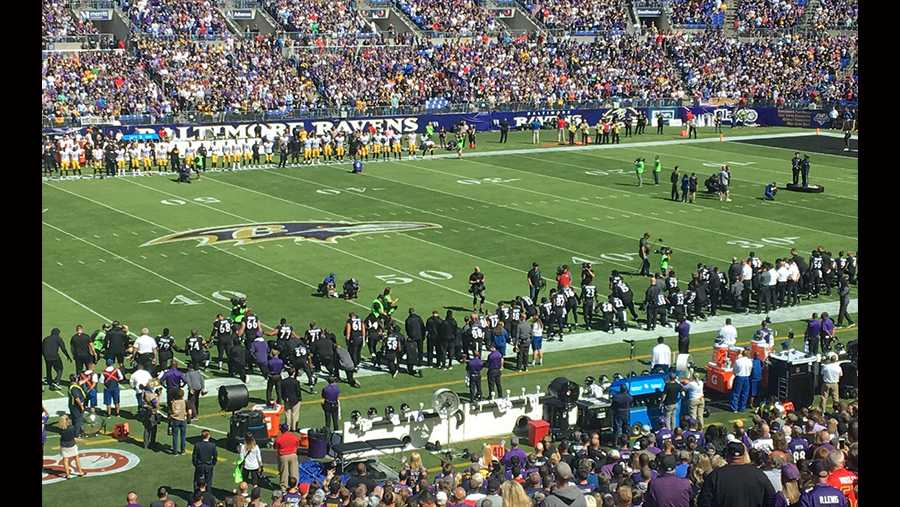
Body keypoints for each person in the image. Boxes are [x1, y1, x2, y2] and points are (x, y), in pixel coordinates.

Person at [697, 442, 775, 507]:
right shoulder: (759, 474)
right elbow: (772, 499)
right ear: (744, 455)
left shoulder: (715, 476)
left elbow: (703, 502)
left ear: (726, 455)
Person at [57, 414, 85, 480]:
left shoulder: (60, 429)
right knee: (76, 458)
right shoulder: (72, 427)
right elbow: (74, 437)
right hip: (72, 445)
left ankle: (68, 475)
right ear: (68, 420)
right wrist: (81, 440)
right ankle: (80, 472)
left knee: (65, 460)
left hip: (64, 446)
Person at [274, 423, 301, 490]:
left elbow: (275, 447)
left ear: (281, 430)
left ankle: (284, 487)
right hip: (293, 455)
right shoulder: (294, 436)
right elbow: (297, 443)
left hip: (283, 456)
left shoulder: (279, 438)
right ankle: (295, 486)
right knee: (294, 472)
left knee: (284, 473)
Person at [169, 388, 190, 455]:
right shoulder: (185, 401)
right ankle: (183, 451)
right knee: (183, 436)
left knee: (175, 436)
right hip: (183, 419)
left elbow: (170, 411)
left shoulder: (173, 402)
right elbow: (189, 411)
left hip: (175, 420)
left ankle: (175, 452)